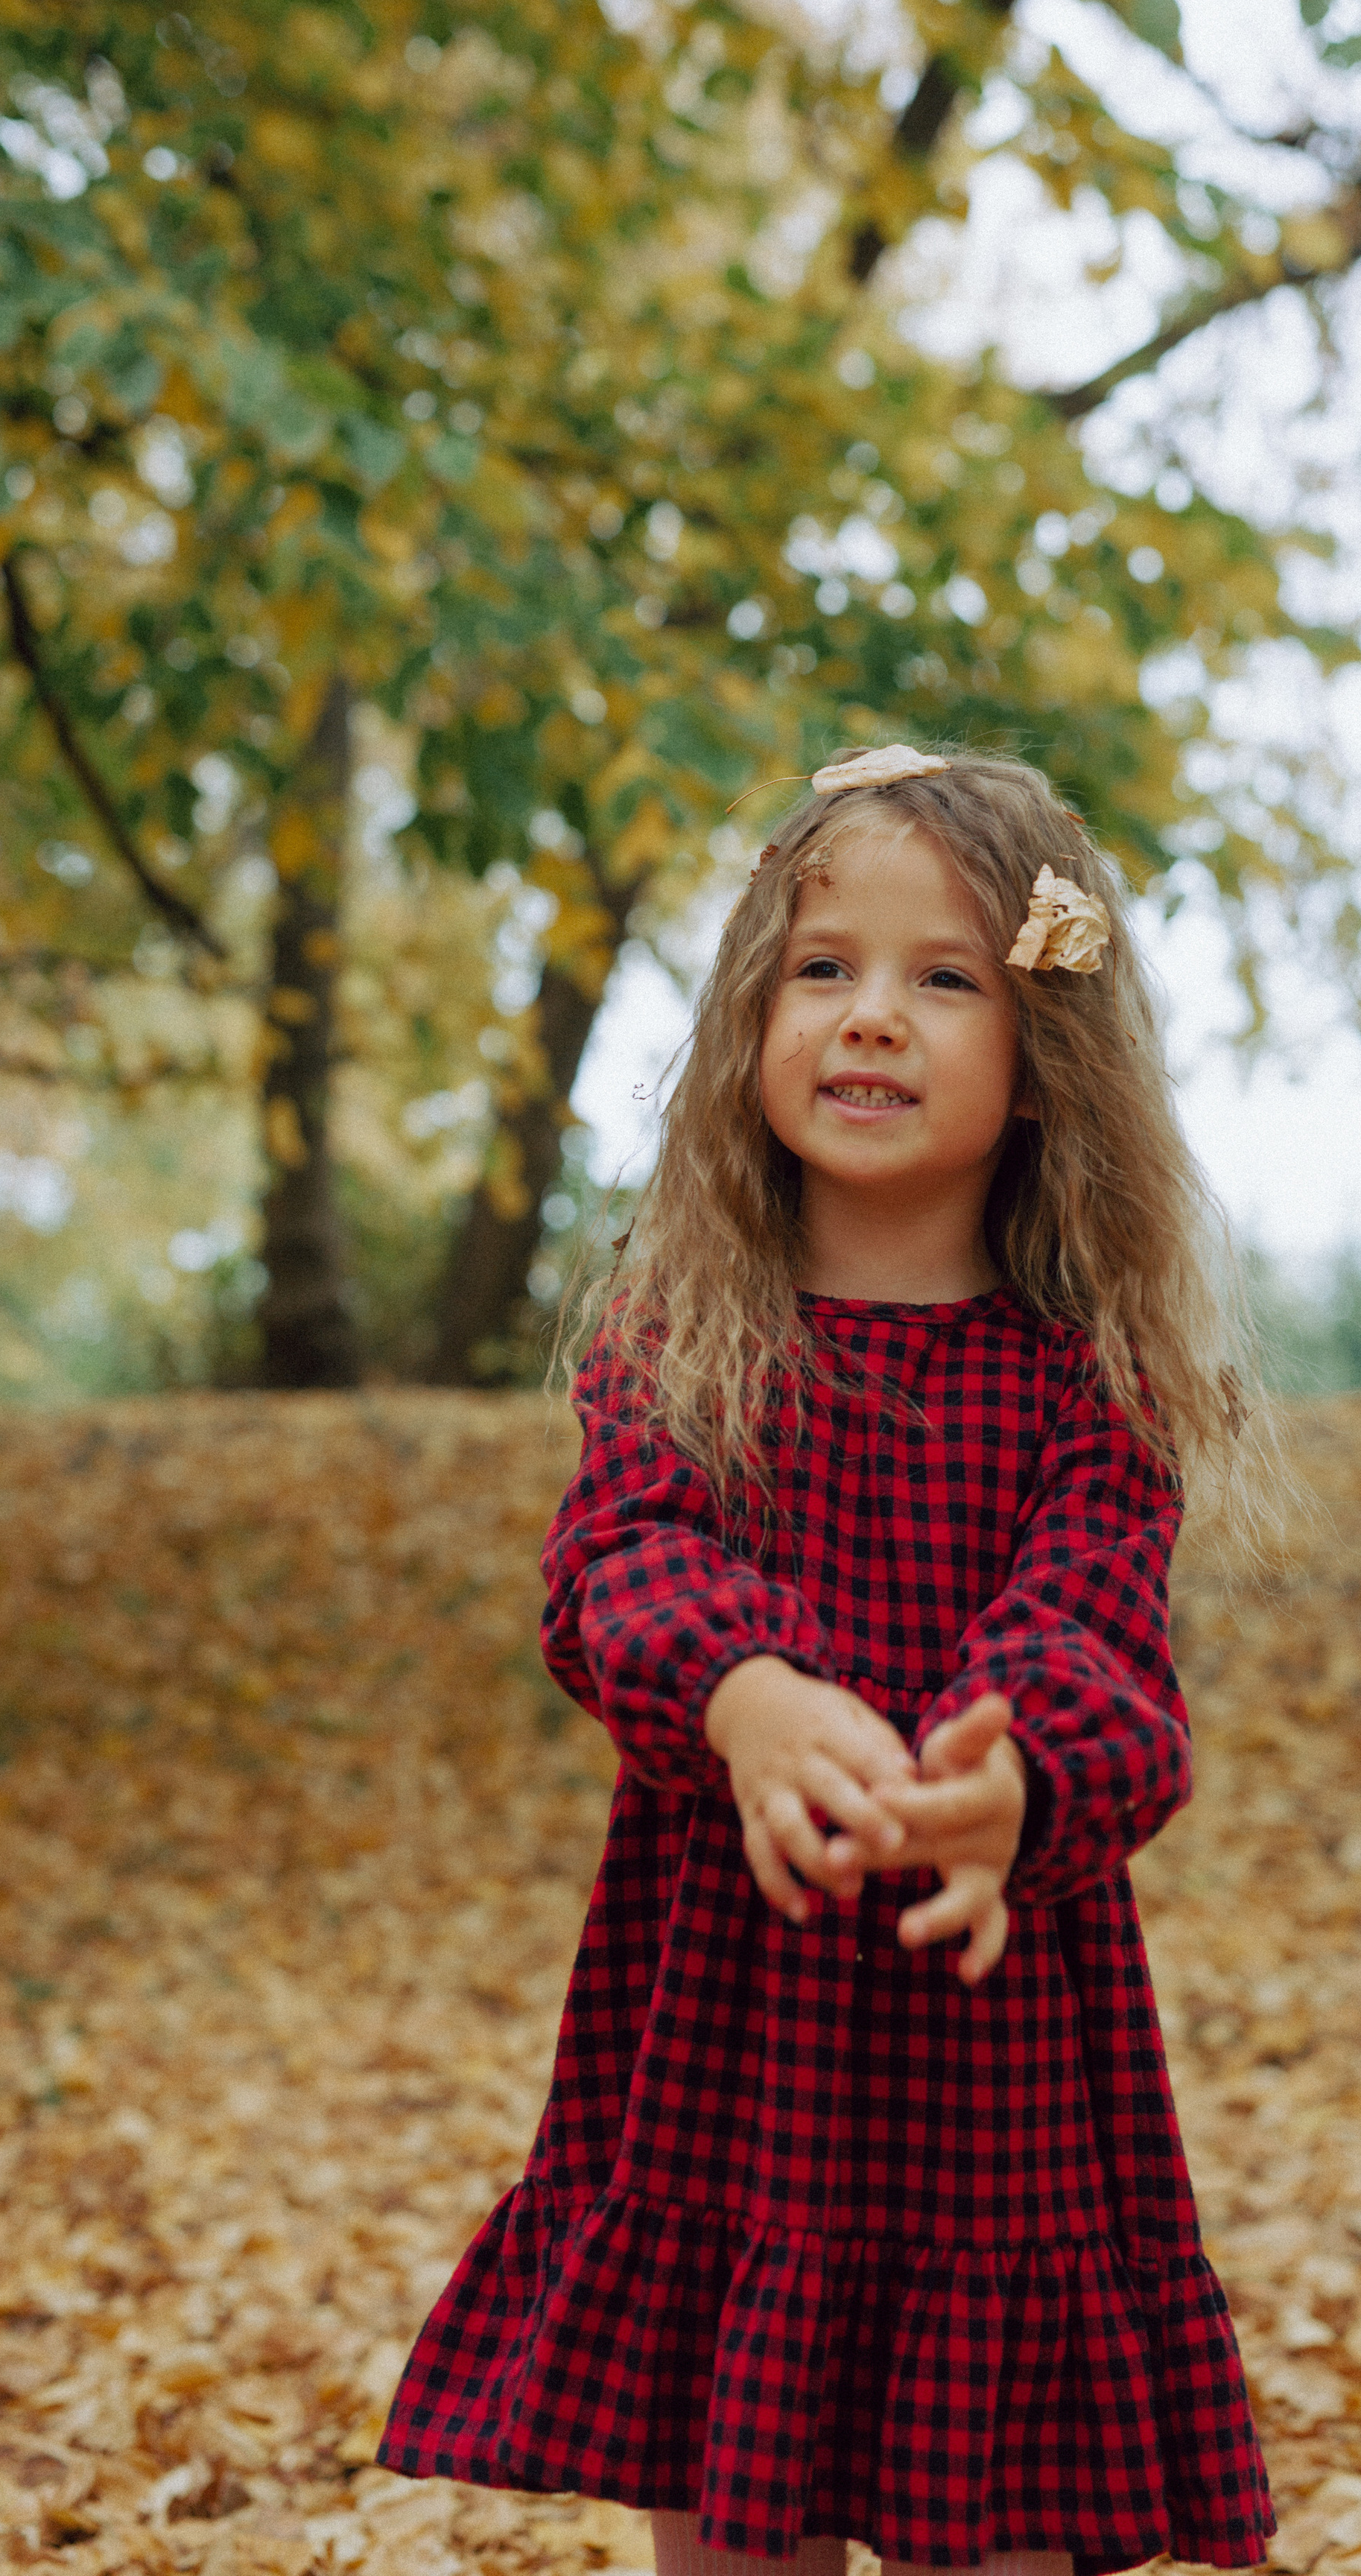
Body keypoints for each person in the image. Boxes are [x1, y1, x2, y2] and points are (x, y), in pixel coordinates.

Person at [378, 743, 1278, 2576]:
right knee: (731, 2504)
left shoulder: (1085, 1379)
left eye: (944, 977)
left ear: (1046, 1062)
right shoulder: (680, 1336)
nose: (873, 1017)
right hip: (729, 2013)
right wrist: (743, 1694)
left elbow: (1100, 1631)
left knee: (1000, 2508)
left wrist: (1007, 1775)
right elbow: (616, 1559)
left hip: (996, 2028)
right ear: (748, 1018)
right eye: (823, 967)